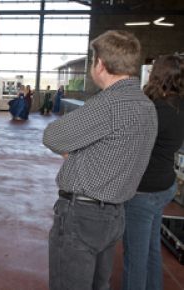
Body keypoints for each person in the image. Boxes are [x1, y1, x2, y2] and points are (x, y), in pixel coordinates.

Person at [43, 30, 158, 290]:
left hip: (82, 216)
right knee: (99, 284)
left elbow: (52, 136)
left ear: (100, 64)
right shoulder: (146, 104)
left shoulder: (109, 103)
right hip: (115, 214)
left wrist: (76, 151)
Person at [122, 54, 184, 290]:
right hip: (165, 185)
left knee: (135, 258)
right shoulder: (179, 105)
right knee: (151, 250)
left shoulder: (153, 109)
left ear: (157, 75)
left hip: (143, 191)